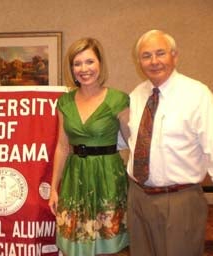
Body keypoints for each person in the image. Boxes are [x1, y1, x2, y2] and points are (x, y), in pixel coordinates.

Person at [127, 29, 213, 256]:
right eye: (146, 56)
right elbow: (133, 141)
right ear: (139, 62)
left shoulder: (197, 94)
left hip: (180, 201)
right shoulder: (137, 95)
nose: (154, 61)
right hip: (137, 198)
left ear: (175, 56)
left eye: (160, 53)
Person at [48, 37, 130, 255]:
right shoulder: (64, 102)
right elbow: (62, 147)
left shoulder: (118, 100)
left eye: (89, 62)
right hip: (75, 179)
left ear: (100, 64)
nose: (84, 69)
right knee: (73, 243)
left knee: (107, 244)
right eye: (77, 63)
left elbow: (133, 144)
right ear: (71, 68)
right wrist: (53, 189)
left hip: (108, 179)